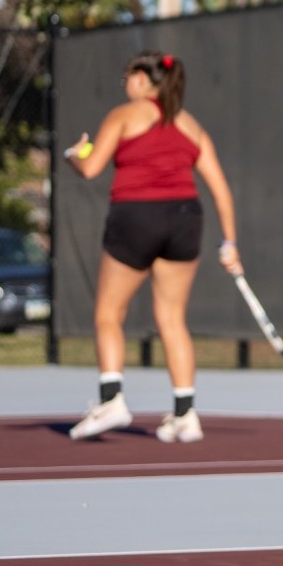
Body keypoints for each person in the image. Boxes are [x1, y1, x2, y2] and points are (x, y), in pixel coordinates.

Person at [63, 51, 241, 444]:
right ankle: (185, 415)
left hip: (137, 216)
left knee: (109, 312)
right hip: (184, 219)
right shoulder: (191, 126)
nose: (124, 85)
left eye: (127, 77)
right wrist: (230, 242)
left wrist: (75, 155)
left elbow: (92, 168)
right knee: (173, 318)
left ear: (143, 79)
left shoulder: (124, 116)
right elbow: (220, 189)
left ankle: (111, 401)